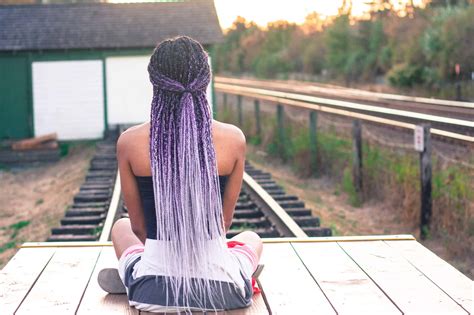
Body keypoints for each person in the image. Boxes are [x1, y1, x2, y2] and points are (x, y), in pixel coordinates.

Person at [99, 36, 263, 313]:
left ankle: (133, 270)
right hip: (227, 292)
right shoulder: (233, 139)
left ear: (155, 84)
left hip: (151, 292)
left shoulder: (129, 142)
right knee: (251, 238)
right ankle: (237, 266)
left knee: (121, 227)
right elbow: (222, 224)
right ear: (205, 81)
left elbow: (139, 228)